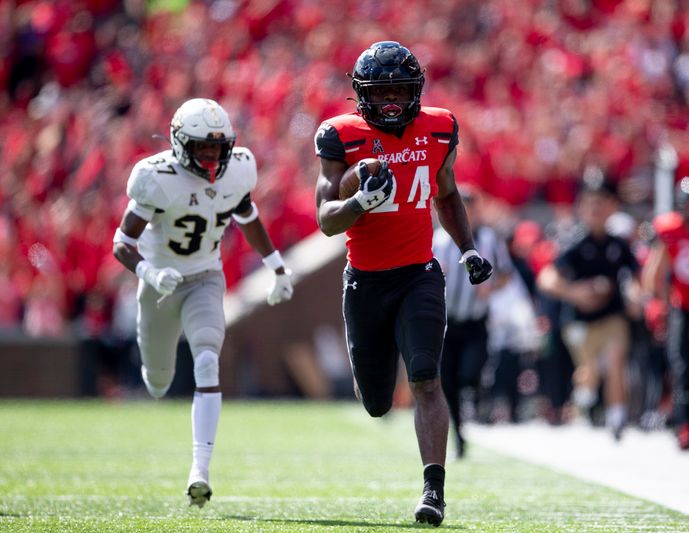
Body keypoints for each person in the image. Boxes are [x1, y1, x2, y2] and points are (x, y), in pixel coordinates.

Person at [314, 41, 493, 527]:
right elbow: (326, 220)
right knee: (375, 402)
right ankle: (373, 375)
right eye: (382, 91)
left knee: (425, 378)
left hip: (419, 273)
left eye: (400, 89)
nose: (392, 100)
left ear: (416, 90)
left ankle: (433, 490)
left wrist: (468, 249)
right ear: (361, 95)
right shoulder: (340, 136)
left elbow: (449, 195)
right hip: (366, 282)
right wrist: (358, 202)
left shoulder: (439, 128)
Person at [112, 98, 293, 507]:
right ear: (180, 144)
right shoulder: (156, 177)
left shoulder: (238, 170)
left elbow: (248, 217)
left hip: (206, 278)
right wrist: (151, 273)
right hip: (159, 285)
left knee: (208, 359)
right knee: (157, 382)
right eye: (202, 148)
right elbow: (122, 243)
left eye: (218, 147)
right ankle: (157, 379)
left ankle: (200, 470)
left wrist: (277, 267)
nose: (212, 156)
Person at [537, 176, 640, 440]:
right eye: (591, 204)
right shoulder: (574, 242)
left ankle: (617, 417)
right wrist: (576, 292)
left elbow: (637, 278)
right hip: (579, 320)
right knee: (589, 370)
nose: (596, 210)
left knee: (616, 359)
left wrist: (636, 297)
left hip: (611, 315)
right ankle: (583, 400)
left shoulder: (618, 245)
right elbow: (547, 278)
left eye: (601, 204)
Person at [432, 187, 513, 457]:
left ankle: (476, 401)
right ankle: (458, 434)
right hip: (447, 322)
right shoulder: (440, 239)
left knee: (470, 373)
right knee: (448, 383)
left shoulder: (489, 239)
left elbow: (505, 274)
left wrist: (490, 287)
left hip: (476, 321)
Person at [642, 177, 689, 450]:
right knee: (683, 369)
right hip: (682, 307)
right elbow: (654, 274)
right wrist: (660, 304)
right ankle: (685, 425)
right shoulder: (671, 231)